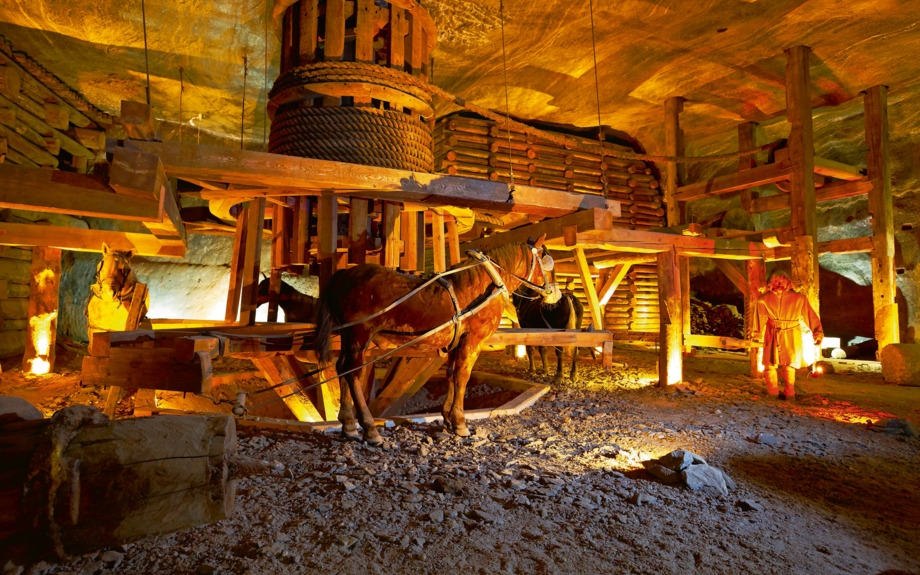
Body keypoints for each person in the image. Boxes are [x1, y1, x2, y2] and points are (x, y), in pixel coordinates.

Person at [754, 271, 823, 400]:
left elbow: (810, 315)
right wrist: (756, 334)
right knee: (769, 363)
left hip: (791, 332)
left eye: (781, 282)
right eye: (776, 282)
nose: (779, 285)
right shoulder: (763, 300)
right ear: (771, 283)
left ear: (788, 282)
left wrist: (817, 332)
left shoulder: (799, 299)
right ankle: (772, 392)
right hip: (772, 331)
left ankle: (789, 393)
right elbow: (758, 319)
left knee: (790, 364)